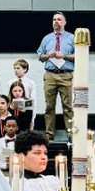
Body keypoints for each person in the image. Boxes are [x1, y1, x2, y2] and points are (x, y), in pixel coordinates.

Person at [36, 12, 75, 141]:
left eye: (59, 19)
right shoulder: (47, 38)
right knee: (49, 106)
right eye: (54, 20)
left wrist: (64, 55)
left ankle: (70, 133)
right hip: (50, 75)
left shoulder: (71, 38)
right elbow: (40, 56)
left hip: (65, 75)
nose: (56, 22)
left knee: (68, 106)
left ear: (64, 22)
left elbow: (79, 56)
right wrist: (48, 55)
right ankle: (49, 133)